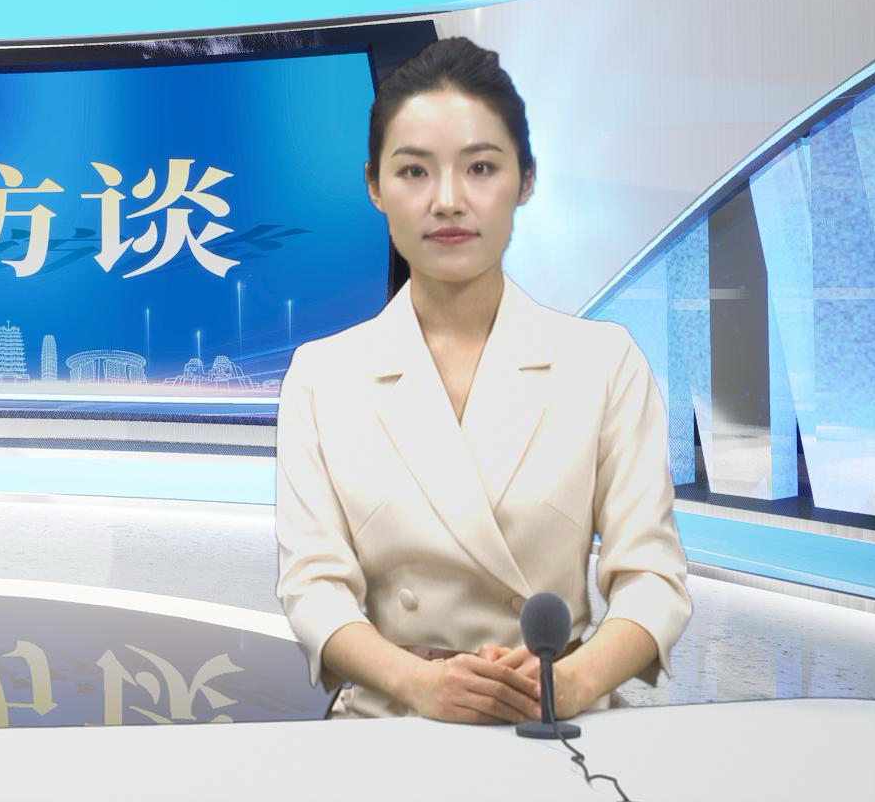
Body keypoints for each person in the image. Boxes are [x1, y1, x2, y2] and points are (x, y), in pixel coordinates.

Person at [274, 37, 690, 722]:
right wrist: (420, 684)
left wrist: (572, 681)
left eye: (481, 168)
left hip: (557, 717)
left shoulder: (603, 363)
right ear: (374, 185)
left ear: (526, 180)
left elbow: (652, 578)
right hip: (389, 720)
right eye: (414, 171)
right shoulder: (323, 377)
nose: (448, 201)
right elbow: (313, 589)